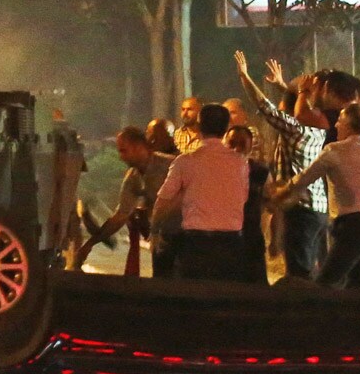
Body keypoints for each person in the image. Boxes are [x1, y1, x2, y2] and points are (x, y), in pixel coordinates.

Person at [275, 104, 360, 289]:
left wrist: (283, 191)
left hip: (354, 224)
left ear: (349, 125)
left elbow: (304, 178)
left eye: (340, 121)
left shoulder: (334, 151)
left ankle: (323, 316)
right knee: (356, 282)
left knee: (326, 282)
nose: (336, 125)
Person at [236, 52, 328, 280]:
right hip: (317, 209)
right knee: (312, 269)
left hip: (301, 210)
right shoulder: (317, 130)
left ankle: (301, 311)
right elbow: (296, 109)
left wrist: (245, 76)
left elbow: (266, 107)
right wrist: (284, 86)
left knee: (299, 273)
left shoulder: (295, 130)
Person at [150, 105, 249, 282]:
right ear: (226, 129)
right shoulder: (241, 163)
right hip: (232, 243)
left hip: (196, 244)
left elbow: (163, 201)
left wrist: (155, 231)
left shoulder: (185, 161)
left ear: (200, 126)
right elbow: (243, 198)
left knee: (194, 298)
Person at [73, 127, 172, 274]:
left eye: (124, 151)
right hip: (162, 239)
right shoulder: (133, 177)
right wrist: (90, 244)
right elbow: (121, 215)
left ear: (139, 147)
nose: (121, 157)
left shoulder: (170, 166)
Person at [225, 125, 270, 284]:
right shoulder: (218, 170)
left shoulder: (260, 172)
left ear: (250, 146)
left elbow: (270, 203)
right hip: (224, 237)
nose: (236, 148)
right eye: (232, 143)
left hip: (251, 236)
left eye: (242, 144)